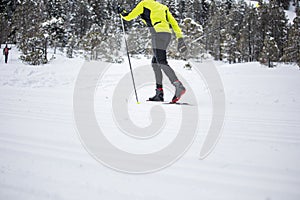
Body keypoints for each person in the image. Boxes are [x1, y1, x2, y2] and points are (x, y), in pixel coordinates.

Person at [118, 0, 188, 103]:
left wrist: (122, 13)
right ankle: (159, 93)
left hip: (157, 34)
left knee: (161, 62)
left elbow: (129, 16)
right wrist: (180, 39)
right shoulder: (162, 7)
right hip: (167, 35)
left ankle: (178, 86)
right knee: (155, 63)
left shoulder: (144, 3)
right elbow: (173, 23)